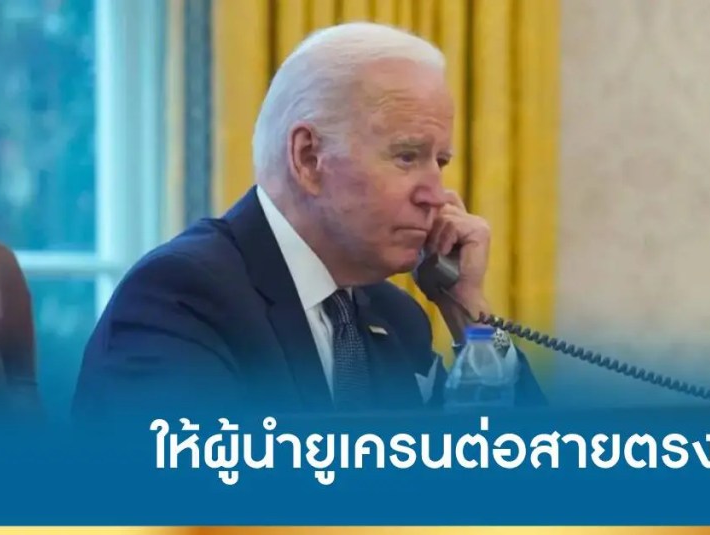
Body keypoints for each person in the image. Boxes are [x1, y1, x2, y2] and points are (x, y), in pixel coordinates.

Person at [71, 22, 546, 421]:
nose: (436, 195)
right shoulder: (182, 295)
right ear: (308, 158)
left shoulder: (397, 318)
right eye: (406, 156)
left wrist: (467, 311)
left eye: (439, 162)